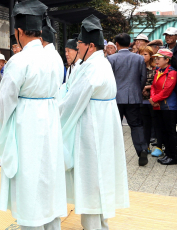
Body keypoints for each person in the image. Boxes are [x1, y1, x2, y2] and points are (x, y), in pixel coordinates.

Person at [0, 0, 66, 230]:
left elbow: (6, 103)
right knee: (49, 176)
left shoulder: (18, 61)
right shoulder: (54, 58)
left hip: (26, 124)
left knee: (28, 179)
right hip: (50, 120)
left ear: (19, 32)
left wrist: (3, 137)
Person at [60, 15, 129, 230]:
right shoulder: (100, 62)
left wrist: (53, 119)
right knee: (100, 178)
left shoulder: (92, 67)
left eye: (79, 44)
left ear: (90, 45)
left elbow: (72, 102)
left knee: (90, 179)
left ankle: (94, 227)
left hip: (92, 129)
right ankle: (100, 225)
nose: (77, 48)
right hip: (102, 125)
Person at [107, 33, 149, 166]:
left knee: (114, 126)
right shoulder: (139, 59)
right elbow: (143, 78)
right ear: (130, 44)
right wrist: (138, 89)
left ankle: (111, 155)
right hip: (134, 96)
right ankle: (142, 149)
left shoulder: (111, 58)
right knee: (136, 125)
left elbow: (109, 79)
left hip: (115, 97)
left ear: (117, 44)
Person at [149, 49, 177, 165]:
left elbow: (167, 90)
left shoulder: (172, 73)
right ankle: (168, 155)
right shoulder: (158, 71)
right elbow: (153, 86)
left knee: (170, 132)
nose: (156, 60)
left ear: (167, 60)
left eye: (158, 58)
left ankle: (173, 157)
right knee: (163, 131)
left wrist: (154, 99)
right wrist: (152, 98)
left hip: (169, 107)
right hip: (158, 106)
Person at [138, 46, 156, 155]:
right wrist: (140, 89)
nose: (143, 57)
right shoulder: (137, 68)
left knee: (156, 123)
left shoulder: (155, 68)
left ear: (150, 56)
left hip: (153, 100)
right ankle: (146, 146)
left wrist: (146, 88)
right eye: (141, 54)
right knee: (145, 125)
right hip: (141, 100)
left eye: (146, 54)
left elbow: (157, 83)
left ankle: (159, 146)